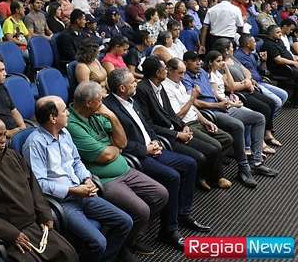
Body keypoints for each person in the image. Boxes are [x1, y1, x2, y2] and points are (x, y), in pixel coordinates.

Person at [103, 69, 206, 250]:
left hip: (153, 148)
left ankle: (183, 214)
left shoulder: (132, 100)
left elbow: (147, 126)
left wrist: (155, 140)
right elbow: (117, 142)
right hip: (136, 156)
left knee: (190, 163)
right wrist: (145, 149)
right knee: (172, 176)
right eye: (132, 82)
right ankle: (168, 231)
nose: (136, 83)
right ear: (121, 88)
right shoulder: (109, 108)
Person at [23, 96, 134, 262]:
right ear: (53, 118)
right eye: (64, 111)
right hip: (62, 202)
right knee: (98, 242)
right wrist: (72, 190)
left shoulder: (65, 133)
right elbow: (39, 184)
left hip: (82, 192)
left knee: (125, 222)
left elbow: (76, 162)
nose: (68, 113)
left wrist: (87, 178)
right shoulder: (35, 144)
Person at [0, 115, 79, 262]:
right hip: (10, 234)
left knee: (68, 254)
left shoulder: (12, 155)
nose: (3, 140)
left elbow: (33, 186)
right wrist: (11, 234)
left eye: (4, 135)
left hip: (36, 224)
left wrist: (44, 213)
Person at [66, 81, 168, 256]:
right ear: (88, 103)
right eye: (100, 100)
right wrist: (115, 148)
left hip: (125, 169)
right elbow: (104, 155)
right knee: (142, 210)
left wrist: (112, 117)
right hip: (105, 179)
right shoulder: (72, 124)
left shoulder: (97, 113)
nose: (103, 103)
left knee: (161, 194)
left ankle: (130, 239)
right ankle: (122, 248)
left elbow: (123, 142)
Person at [181, 51, 272, 187]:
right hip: (209, 111)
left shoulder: (203, 73)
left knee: (259, 118)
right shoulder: (185, 79)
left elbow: (213, 92)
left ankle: (256, 162)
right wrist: (217, 105)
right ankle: (243, 168)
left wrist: (227, 101)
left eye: (199, 60)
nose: (198, 63)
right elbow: (194, 102)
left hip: (221, 106)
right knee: (238, 125)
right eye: (194, 61)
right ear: (185, 63)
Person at [159, 58, 234, 190]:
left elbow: (192, 108)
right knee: (215, 147)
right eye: (180, 73)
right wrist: (193, 98)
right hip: (186, 125)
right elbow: (178, 116)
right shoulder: (165, 88)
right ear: (169, 70)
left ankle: (207, 170)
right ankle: (213, 177)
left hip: (196, 119)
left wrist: (205, 121)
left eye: (184, 72)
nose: (183, 76)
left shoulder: (179, 83)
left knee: (227, 139)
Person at [234, 33, 289, 110]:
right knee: (277, 102)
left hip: (261, 81)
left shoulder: (252, 55)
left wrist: (264, 61)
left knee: (284, 95)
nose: (255, 44)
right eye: (254, 42)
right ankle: (269, 117)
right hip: (253, 85)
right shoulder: (237, 57)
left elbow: (261, 70)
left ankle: (271, 115)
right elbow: (238, 75)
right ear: (248, 44)